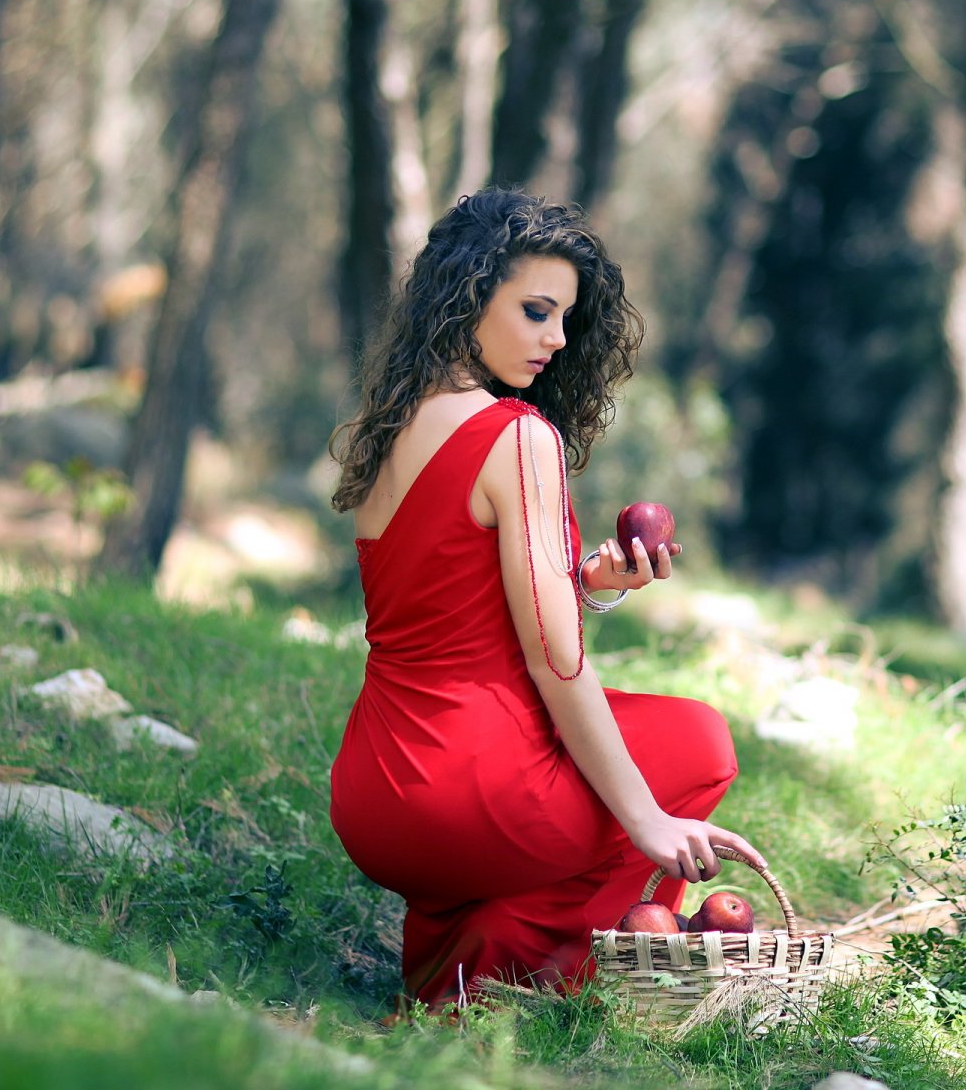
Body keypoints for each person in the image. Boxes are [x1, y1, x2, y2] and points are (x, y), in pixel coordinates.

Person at [326, 187, 761, 1009]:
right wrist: (647, 823)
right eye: (535, 311)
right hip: (467, 789)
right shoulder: (517, 435)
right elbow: (557, 665)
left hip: (374, 797)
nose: (557, 341)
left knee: (644, 742)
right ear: (468, 293)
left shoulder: (392, 426)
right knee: (701, 743)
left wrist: (590, 584)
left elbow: (444, 594)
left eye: (565, 318)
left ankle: (468, 964)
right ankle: (540, 972)